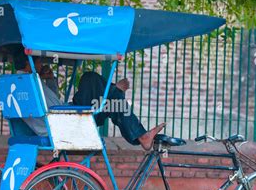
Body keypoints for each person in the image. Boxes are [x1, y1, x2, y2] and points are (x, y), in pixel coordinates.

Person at [16, 54, 165, 150]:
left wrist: (49, 80)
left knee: (101, 91)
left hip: (60, 117)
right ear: (30, 64)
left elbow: (52, 103)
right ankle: (117, 94)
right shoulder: (29, 83)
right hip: (63, 121)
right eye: (39, 61)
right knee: (92, 80)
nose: (42, 65)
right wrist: (115, 90)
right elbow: (53, 108)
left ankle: (117, 95)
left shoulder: (21, 84)